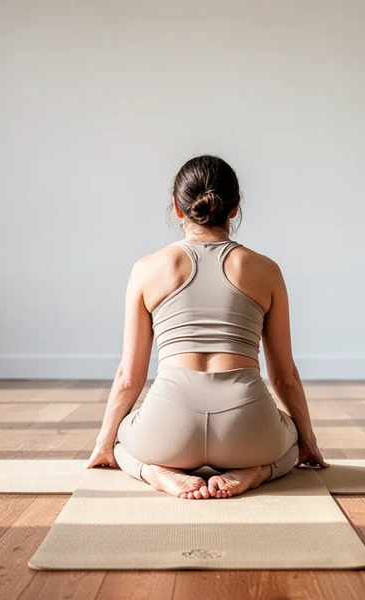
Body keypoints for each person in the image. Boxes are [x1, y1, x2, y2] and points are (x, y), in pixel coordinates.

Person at [86, 154, 327, 499]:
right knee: (292, 445)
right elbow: (284, 376)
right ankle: (257, 472)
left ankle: (155, 473)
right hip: (246, 428)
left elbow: (130, 378)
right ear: (235, 208)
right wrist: (309, 442)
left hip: (170, 427)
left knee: (122, 442)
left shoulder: (147, 268)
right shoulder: (265, 269)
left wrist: (104, 444)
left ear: (177, 208)